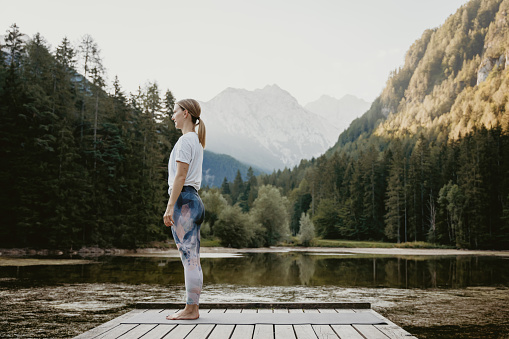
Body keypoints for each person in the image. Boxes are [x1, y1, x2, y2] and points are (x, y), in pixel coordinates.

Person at [163, 99, 206, 320]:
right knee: (193, 258)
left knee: (188, 258)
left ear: (186, 113)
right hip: (194, 200)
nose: (173, 116)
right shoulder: (197, 142)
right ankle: (193, 308)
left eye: (175, 112)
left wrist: (170, 207)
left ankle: (190, 310)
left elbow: (180, 176)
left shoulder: (185, 141)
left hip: (184, 202)